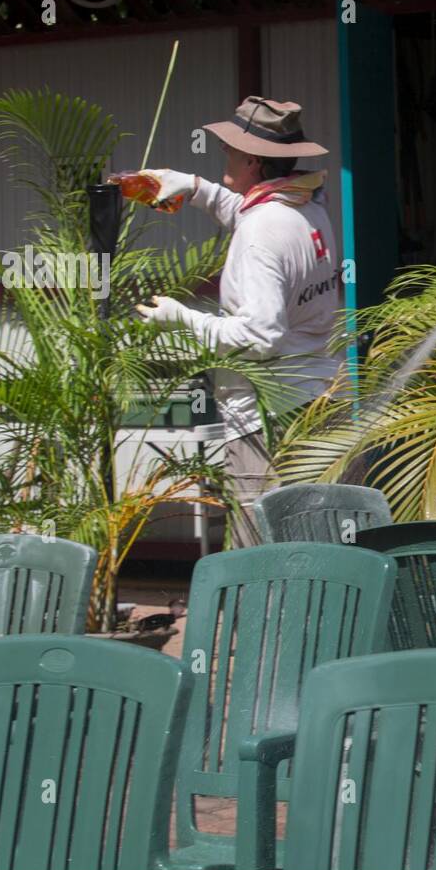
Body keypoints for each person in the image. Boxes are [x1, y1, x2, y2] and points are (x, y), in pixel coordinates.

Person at [135, 97, 343, 547]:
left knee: (259, 552)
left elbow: (260, 335)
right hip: (316, 397)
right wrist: (193, 188)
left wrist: (183, 319)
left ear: (251, 160)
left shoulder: (260, 231)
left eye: (229, 149)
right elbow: (252, 215)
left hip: (264, 418)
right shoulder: (308, 207)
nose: (223, 155)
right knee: (313, 544)